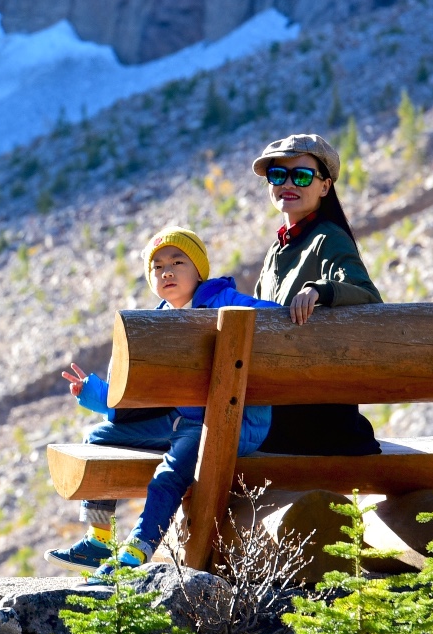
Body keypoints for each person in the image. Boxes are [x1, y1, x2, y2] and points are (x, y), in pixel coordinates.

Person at [48, 226, 278, 575]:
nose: (166, 271)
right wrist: (99, 396)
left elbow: (275, 316)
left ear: (199, 271)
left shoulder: (225, 301)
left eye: (177, 262)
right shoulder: (157, 321)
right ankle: (98, 539)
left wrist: (306, 302)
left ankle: (136, 551)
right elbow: (143, 395)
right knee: (98, 440)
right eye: (157, 267)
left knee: (168, 476)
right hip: (180, 418)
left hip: (229, 423)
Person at [249, 132, 384, 455]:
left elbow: (368, 296)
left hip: (314, 416)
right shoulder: (277, 250)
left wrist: (320, 291)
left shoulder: (328, 238)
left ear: (325, 186)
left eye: (303, 175)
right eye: (278, 174)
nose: (288, 183)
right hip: (285, 404)